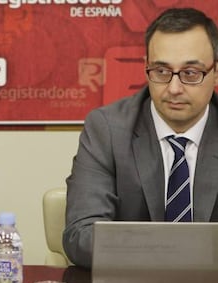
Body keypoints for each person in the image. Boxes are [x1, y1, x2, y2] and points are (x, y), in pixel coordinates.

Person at [63, 7, 218, 268]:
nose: (174, 88)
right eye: (161, 71)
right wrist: (172, 255)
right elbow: (81, 236)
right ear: (146, 67)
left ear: (215, 72)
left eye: (191, 73)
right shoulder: (107, 130)